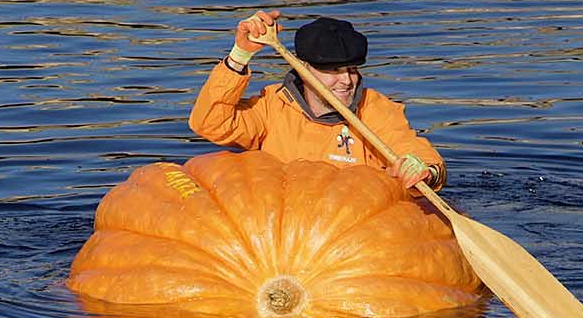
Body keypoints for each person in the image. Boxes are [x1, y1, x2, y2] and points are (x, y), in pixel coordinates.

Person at [188, 10, 445, 190]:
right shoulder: (272, 106)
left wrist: (424, 171)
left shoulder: (376, 110)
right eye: (333, 71)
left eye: (352, 70)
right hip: (281, 232)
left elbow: (416, 152)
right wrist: (240, 55)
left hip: (351, 234)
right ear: (303, 69)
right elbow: (209, 124)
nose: (346, 81)